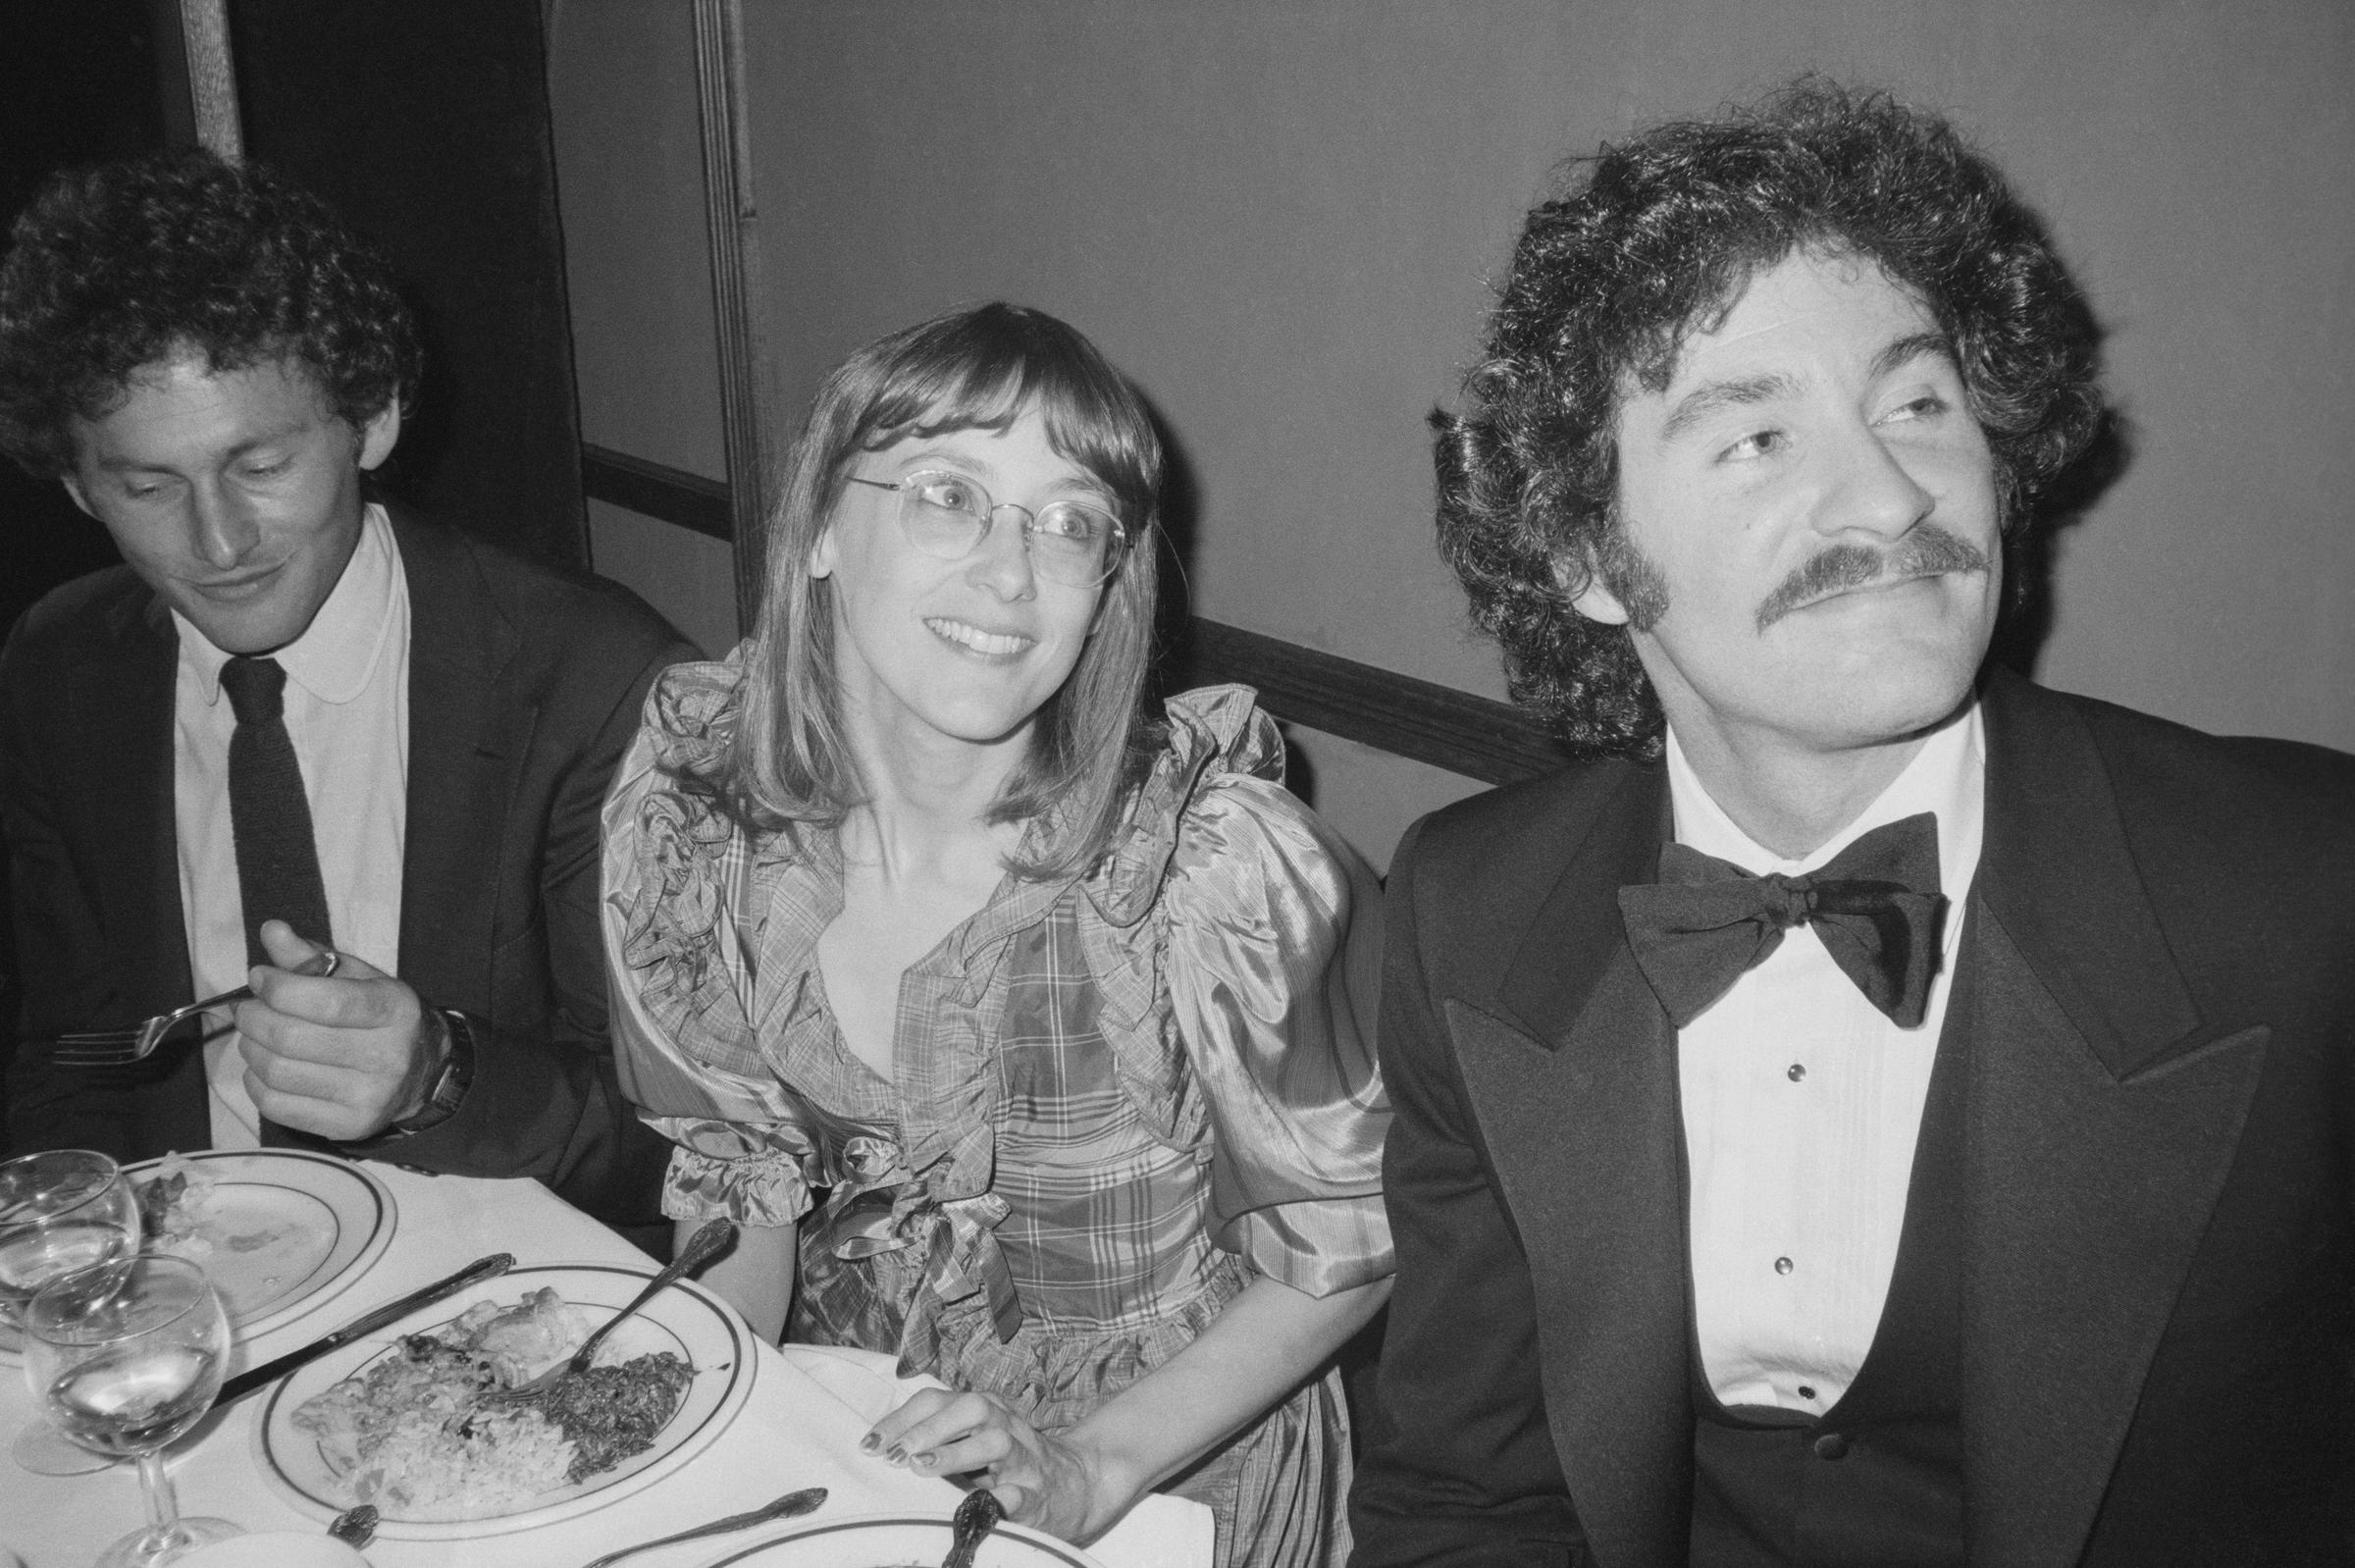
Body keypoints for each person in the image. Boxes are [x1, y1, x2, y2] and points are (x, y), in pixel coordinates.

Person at [1350, 80, 2353, 1568]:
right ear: (1586, 554)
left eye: (1919, 400)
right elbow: (1467, 1493)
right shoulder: (1470, 906)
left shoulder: (2306, 890)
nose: (1888, 491)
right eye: (1754, 437)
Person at [601, 303, 1391, 1561]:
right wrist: (697, 1434)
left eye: (1071, 523)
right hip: (868, 1439)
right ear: (817, 531)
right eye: (946, 495)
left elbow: (1342, 1249)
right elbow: (743, 1188)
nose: (1013, 573)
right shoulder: (705, 819)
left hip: (1170, 1477)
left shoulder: (1209, 865)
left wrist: (1087, 1465)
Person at [0, 151, 693, 1235]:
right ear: (83, 487)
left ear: (370, 420)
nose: (218, 540)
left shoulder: (597, 684)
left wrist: (439, 1074)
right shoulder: (58, 669)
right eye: (148, 485)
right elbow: (68, 1053)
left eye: (261, 465)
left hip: (506, 1304)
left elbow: (697, 1145)